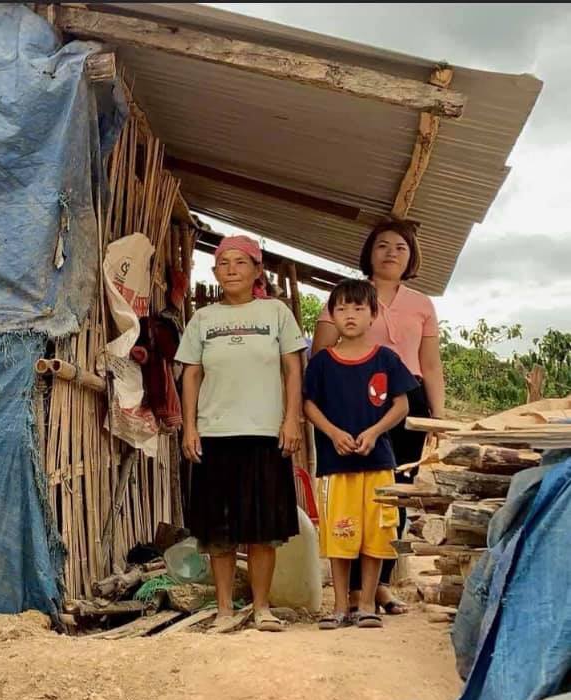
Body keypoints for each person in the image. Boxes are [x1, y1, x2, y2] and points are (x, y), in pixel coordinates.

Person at [312, 220, 445, 616]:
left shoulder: (421, 304)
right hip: (348, 403)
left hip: (405, 401)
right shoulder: (346, 296)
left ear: (411, 257)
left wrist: (437, 416)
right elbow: (320, 355)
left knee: (394, 492)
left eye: (401, 247)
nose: (391, 253)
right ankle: (352, 592)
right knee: (348, 492)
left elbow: (430, 365)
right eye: (383, 245)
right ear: (369, 252)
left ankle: (380, 585)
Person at [175, 235, 307, 634]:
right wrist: (190, 426)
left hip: (265, 433)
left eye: (240, 262)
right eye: (223, 263)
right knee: (219, 529)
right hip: (215, 433)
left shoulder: (276, 313)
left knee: (263, 528)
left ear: (257, 270)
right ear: (215, 272)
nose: (231, 269)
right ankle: (224, 611)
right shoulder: (203, 319)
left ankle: (262, 608)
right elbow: (191, 374)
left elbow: (293, 369)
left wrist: (291, 419)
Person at [304, 279, 417, 630]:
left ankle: (367, 604)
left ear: (373, 315)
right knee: (339, 535)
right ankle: (340, 606)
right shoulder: (321, 363)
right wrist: (333, 433)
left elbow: (402, 405)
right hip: (335, 464)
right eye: (341, 309)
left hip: (378, 462)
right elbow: (308, 405)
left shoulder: (386, 359)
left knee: (375, 534)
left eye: (358, 308)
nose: (349, 315)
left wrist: (374, 432)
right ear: (331, 316)